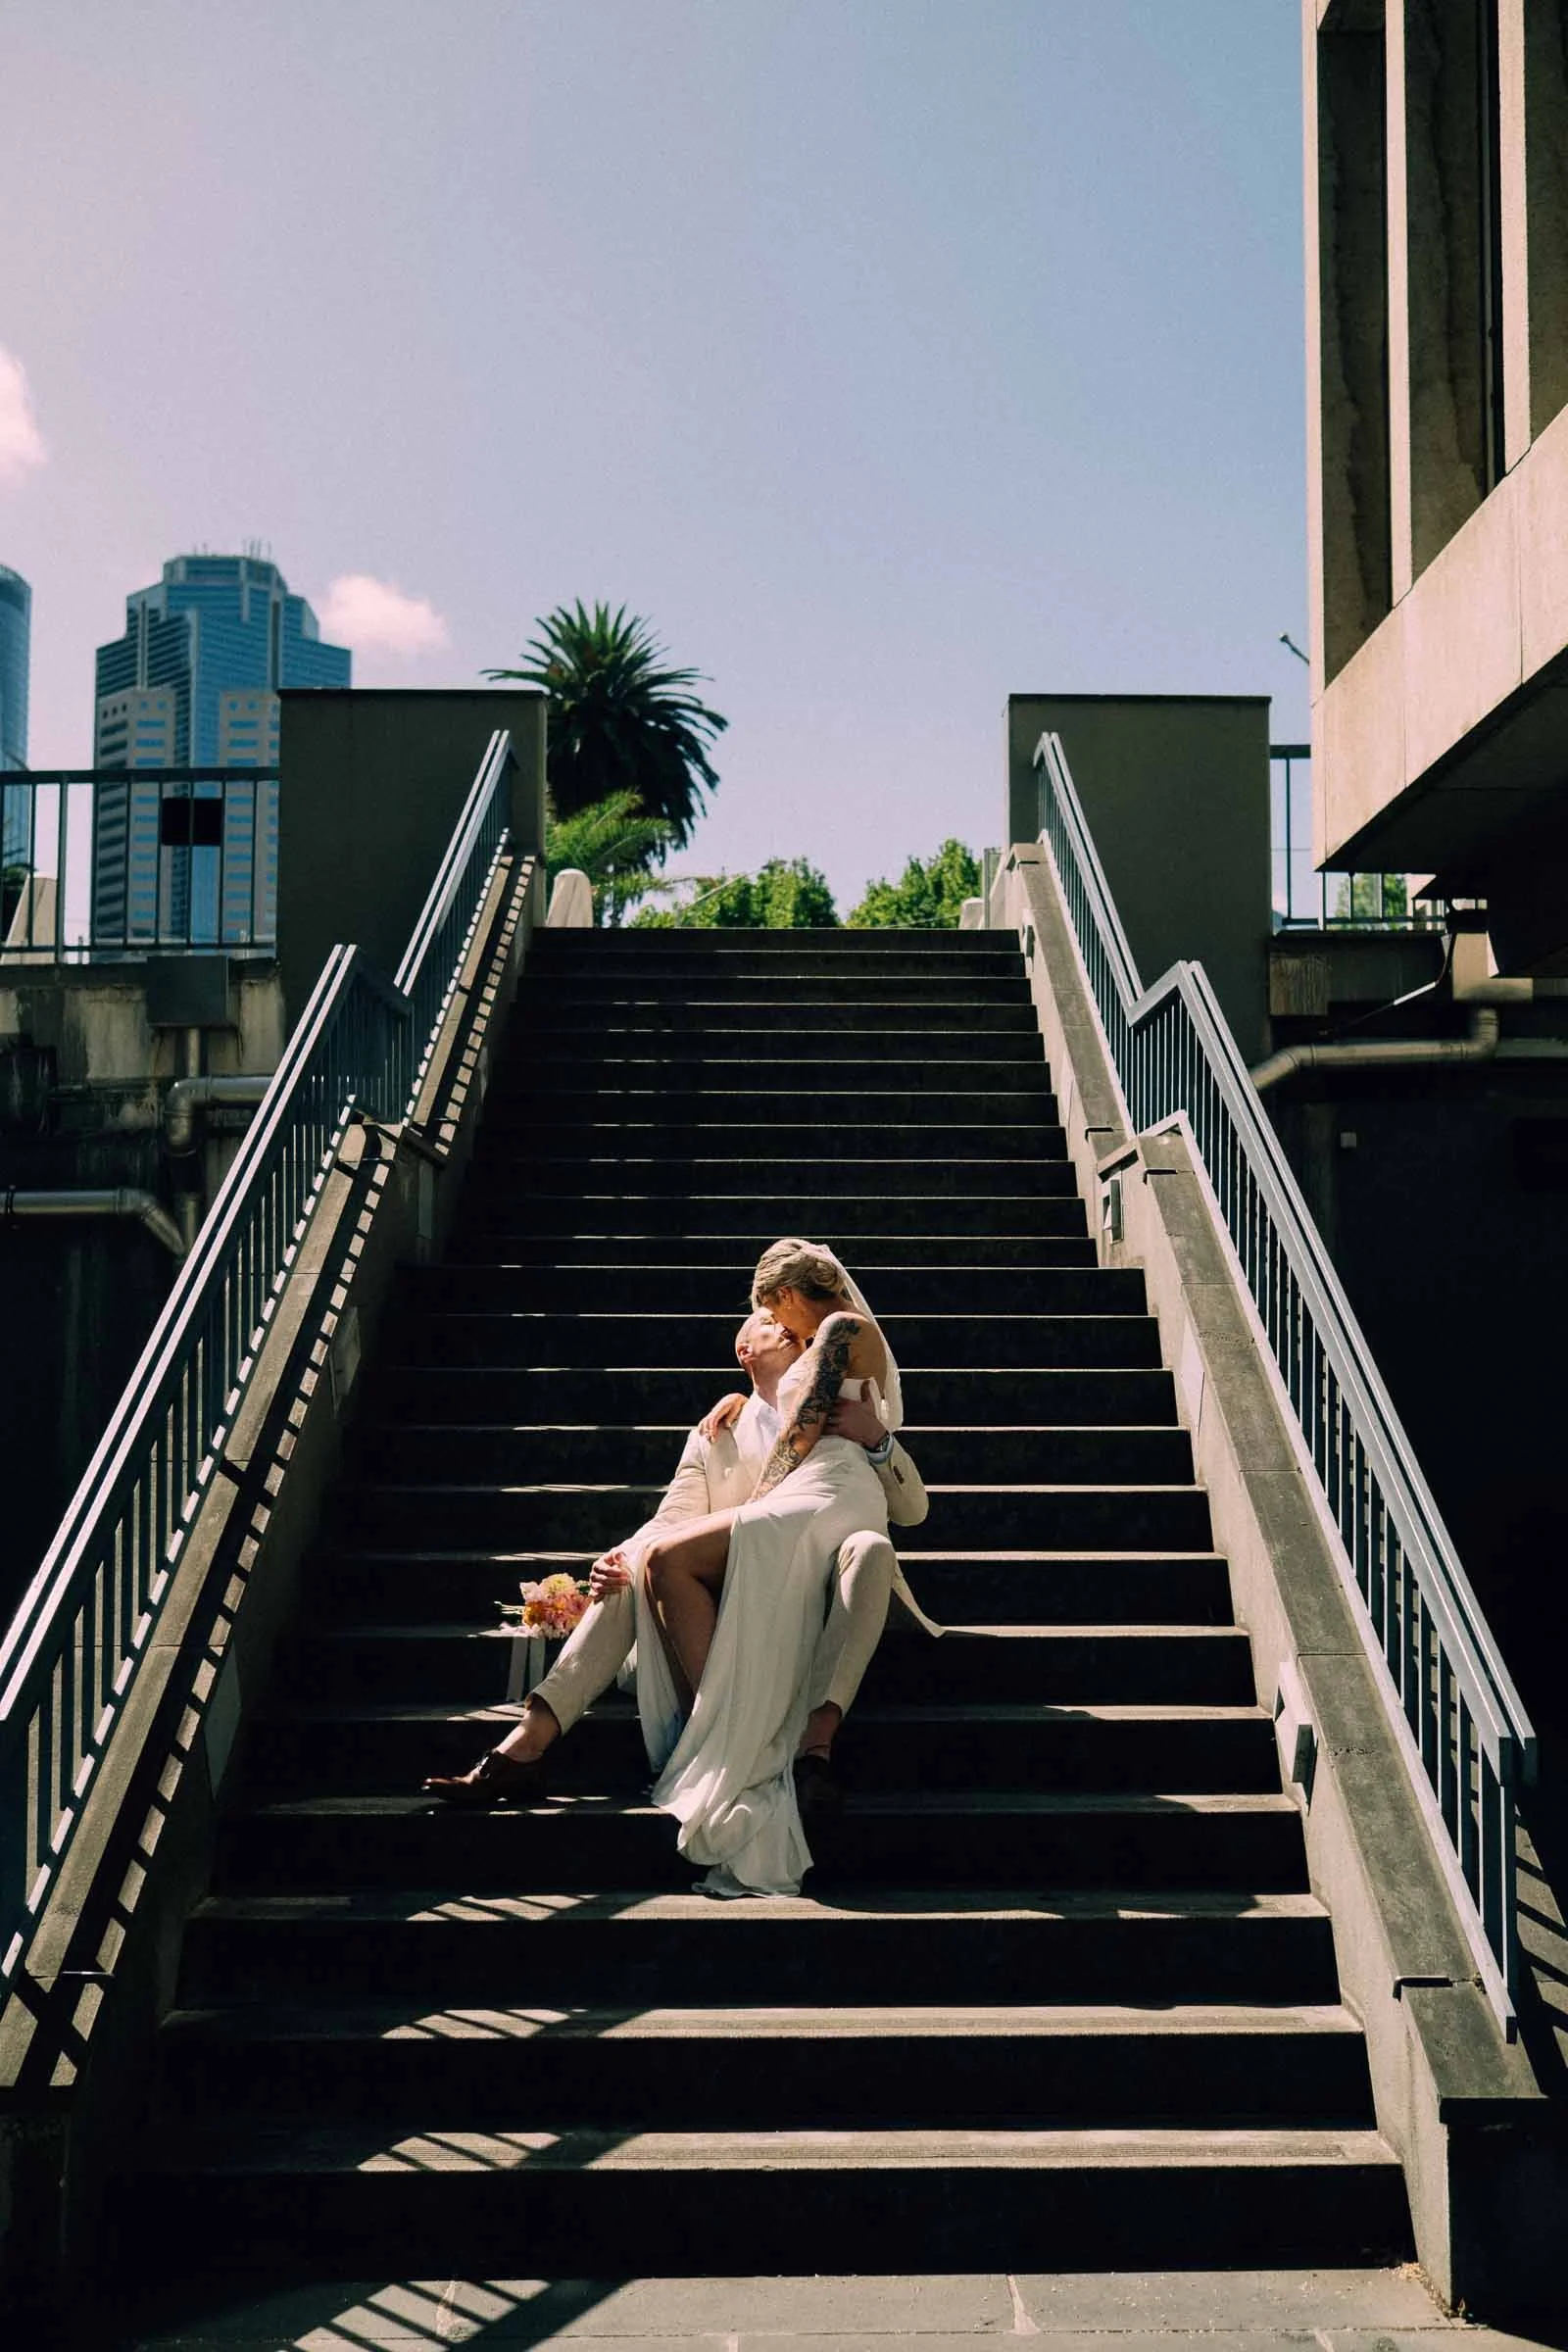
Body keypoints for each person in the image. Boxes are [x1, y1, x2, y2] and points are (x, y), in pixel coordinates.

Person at [421, 1296, 936, 1814]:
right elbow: (672, 1520)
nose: (782, 1327)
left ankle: (814, 1754)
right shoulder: (716, 1433)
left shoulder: (841, 1408)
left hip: (818, 1601)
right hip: (724, 1606)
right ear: (743, 1350)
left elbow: (912, 1510)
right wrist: (613, 1558)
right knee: (631, 1568)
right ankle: (523, 1748)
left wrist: (877, 1440)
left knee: (872, 1547)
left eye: (788, 1323)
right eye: (765, 1321)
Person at [634, 1238, 907, 1897]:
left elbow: (804, 1427)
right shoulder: (822, 1339)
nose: (780, 1329)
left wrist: (758, 1507)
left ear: (784, 1295)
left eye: (776, 1314)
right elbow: (785, 1408)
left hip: (831, 1489)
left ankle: (726, 1729)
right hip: (810, 1489)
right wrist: (739, 1398)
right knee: (664, 1559)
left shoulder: (842, 1328)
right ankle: (727, 1721)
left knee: (671, 1557)